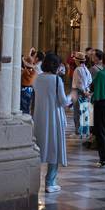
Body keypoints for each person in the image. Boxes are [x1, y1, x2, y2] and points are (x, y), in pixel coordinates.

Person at [32, 53, 71, 192]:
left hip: (40, 116)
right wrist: (72, 96)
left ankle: (33, 181)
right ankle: (50, 182)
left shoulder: (38, 78)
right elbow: (63, 101)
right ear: (55, 65)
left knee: (40, 146)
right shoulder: (56, 80)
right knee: (54, 147)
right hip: (54, 117)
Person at [71, 51, 93, 139]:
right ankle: (85, 131)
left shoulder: (77, 69)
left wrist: (83, 91)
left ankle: (78, 131)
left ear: (77, 61)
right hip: (86, 91)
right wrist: (87, 90)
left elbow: (79, 83)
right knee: (85, 111)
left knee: (77, 111)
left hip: (79, 92)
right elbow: (90, 80)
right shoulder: (86, 69)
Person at [20, 49, 39, 115]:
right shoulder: (34, 71)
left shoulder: (25, 71)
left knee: (23, 104)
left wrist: (23, 60)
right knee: (27, 104)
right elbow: (30, 64)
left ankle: (25, 116)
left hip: (24, 89)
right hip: (30, 89)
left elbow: (25, 65)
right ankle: (27, 115)